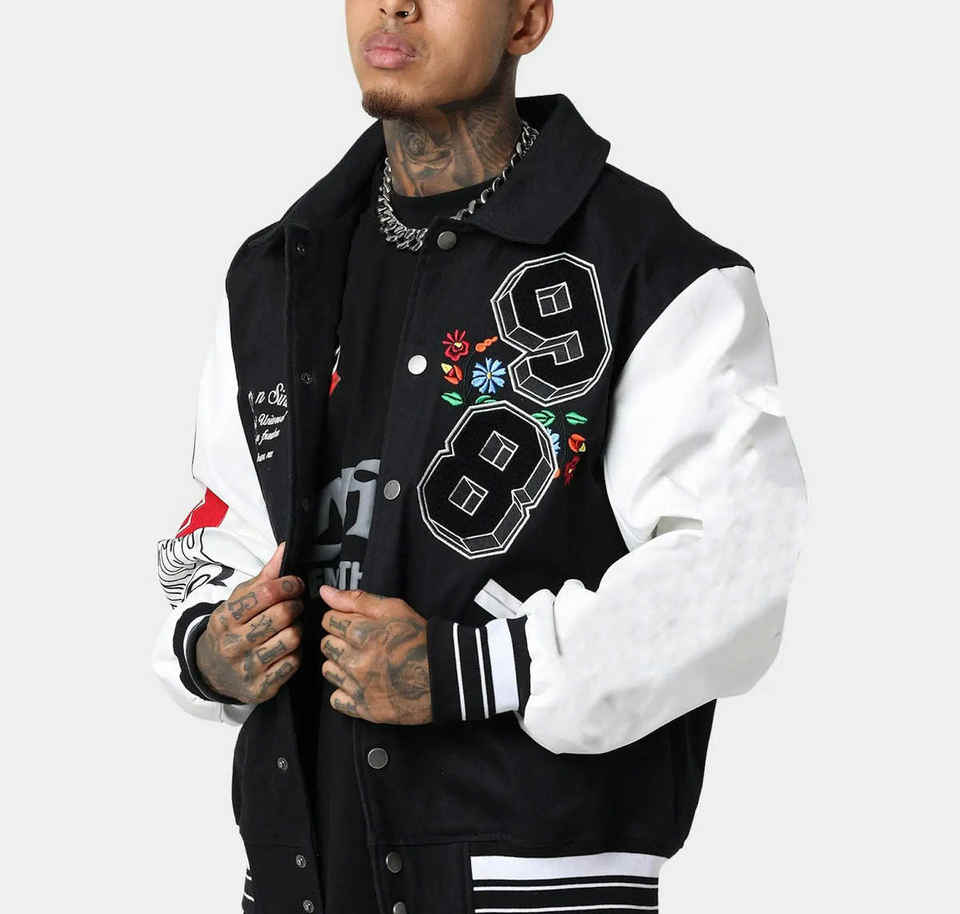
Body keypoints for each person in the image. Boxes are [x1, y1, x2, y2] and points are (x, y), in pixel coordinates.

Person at [153, 1, 808, 912]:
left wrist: (474, 669)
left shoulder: (653, 269)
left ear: (526, 21)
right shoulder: (279, 273)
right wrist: (212, 650)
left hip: (534, 887)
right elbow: (222, 531)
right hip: (300, 878)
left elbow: (737, 579)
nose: (394, 4)